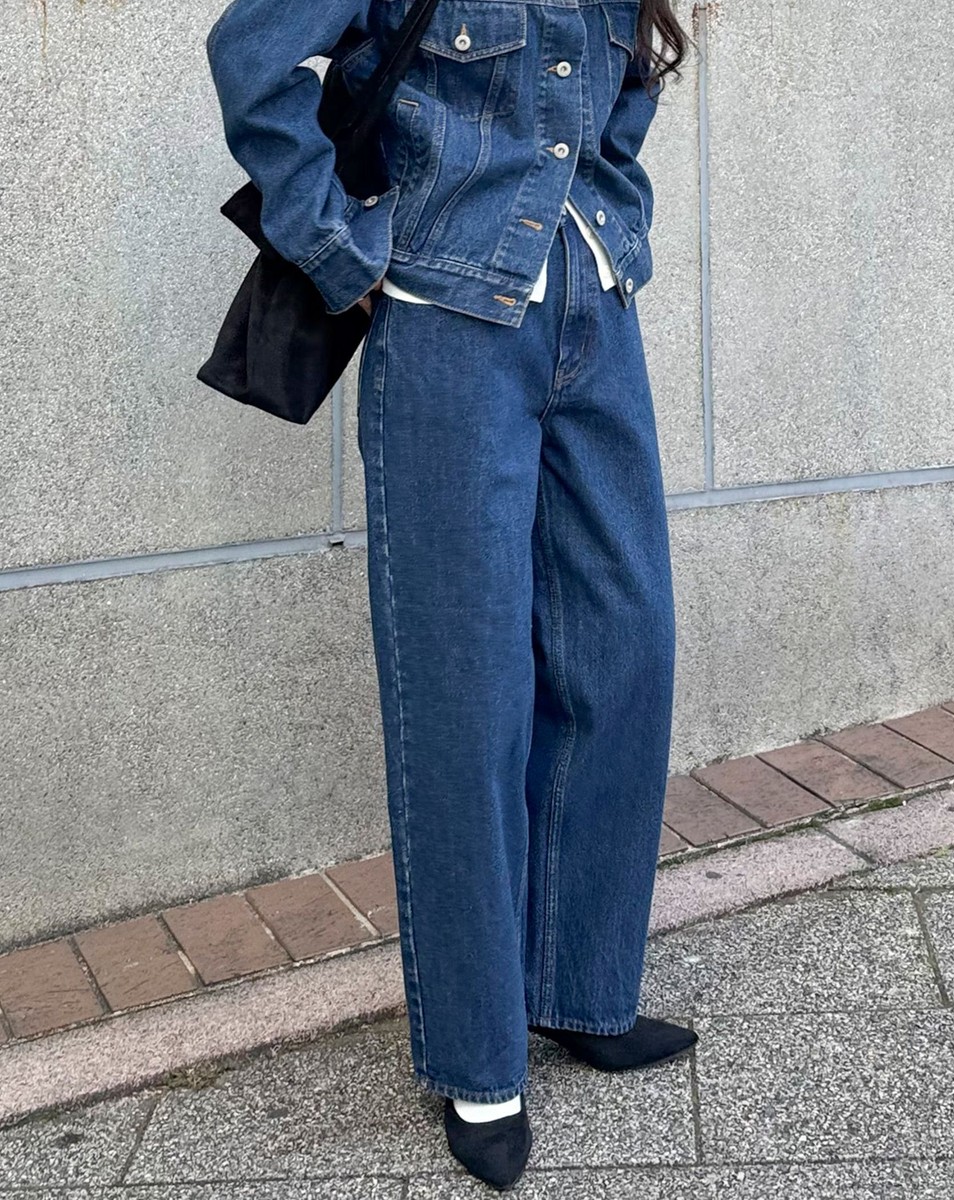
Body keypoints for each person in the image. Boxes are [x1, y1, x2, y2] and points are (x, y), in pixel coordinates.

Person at [206, 0, 694, 1188]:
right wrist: (343, 252)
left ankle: (577, 987)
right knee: (465, 691)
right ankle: (480, 1056)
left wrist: (614, 219)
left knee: (623, 649)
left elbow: (617, 106)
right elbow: (250, 57)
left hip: (595, 315)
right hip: (449, 331)